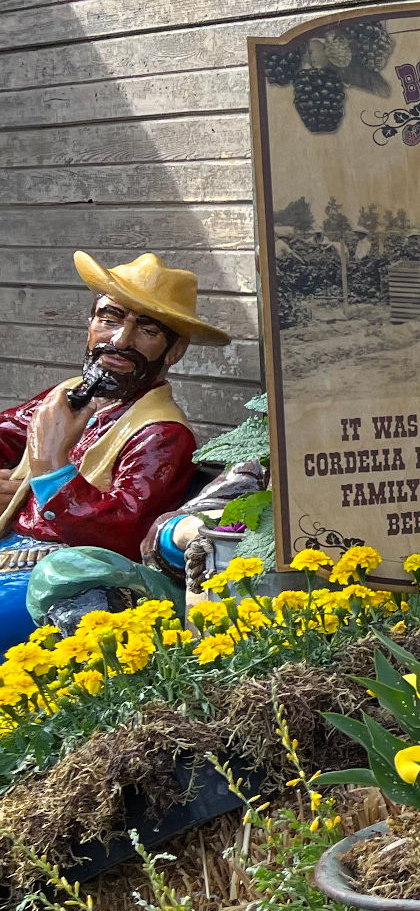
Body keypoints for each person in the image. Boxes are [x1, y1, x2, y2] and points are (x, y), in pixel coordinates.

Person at [0, 253, 231, 647]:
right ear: (89, 324)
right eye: (109, 319)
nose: (120, 340)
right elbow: (6, 434)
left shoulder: (161, 434)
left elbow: (121, 535)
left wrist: (50, 467)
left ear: (174, 351)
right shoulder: (67, 397)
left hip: (65, 577)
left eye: (147, 330)